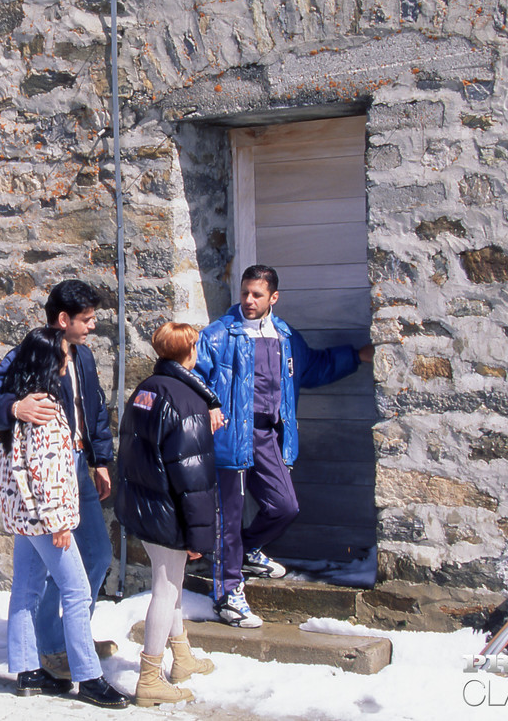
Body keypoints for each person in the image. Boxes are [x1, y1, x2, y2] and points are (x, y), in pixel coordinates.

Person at [194, 265, 374, 628]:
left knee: (284, 506)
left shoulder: (286, 336)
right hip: (229, 436)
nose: (248, 300)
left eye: (257, 294)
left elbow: (314, 368)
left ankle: (246, 551)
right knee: (229, 519)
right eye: (245, 292)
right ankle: (228, 595)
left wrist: (357, 357)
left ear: (273, 297)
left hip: (267, 437)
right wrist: (210, 408)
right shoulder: (217, 335)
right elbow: (194, 376)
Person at [0, 280, 116, 677]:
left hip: (78, 467)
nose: (93, 326)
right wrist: (14, 407)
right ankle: (54, 646)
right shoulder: (27, 353)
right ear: (63, 319)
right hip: (45, 474)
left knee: (98, 554)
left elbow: (95, 410)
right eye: (86, 319)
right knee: (59, 573)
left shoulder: (83, 357)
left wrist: (101, 460)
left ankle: (70, 638)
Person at [0, 327, 129, 709]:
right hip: (46, 519)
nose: (68, 360)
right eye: (62, 356)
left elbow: (14, 468)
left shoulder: (20, 406)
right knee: (76, 590)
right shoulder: (46, 409)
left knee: (26, 588)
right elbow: (46, 470)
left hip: (25, 515)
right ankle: (88, 677)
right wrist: (58, 522)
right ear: (48, 362)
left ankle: (28, 671)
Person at [114, 322, 222, 706]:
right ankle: (149, 677)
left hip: (143, 502)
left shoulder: (146, 390)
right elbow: (193, 477)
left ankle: (182, 656)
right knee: (166, 588)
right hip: (167, 509)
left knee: (171, 582)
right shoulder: (186, 401)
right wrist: (199, 534)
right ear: (189, 352)